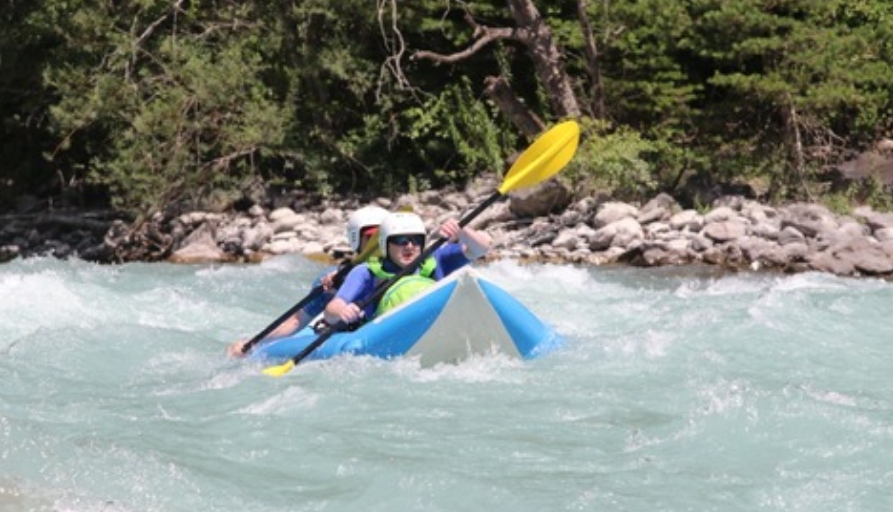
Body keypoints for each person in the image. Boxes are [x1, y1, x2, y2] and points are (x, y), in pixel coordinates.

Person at [227, 205, 389, 357]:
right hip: (346, 332)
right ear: (356, 240)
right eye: (371, 238)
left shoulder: (401, 269)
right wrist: (252, 343)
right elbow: (296, 321)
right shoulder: (333, 281)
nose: (378, 245)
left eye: (386, 238)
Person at [324, 211, 491, 326]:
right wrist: (343, 312)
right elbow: (331, 310)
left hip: (435, 322)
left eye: (416, 240)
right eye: (401, 240)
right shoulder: (366, 272)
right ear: (385, 244)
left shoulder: (437, 259)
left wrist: (463, 232)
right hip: (384, 333)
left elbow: (481, 248)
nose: (410, 246)